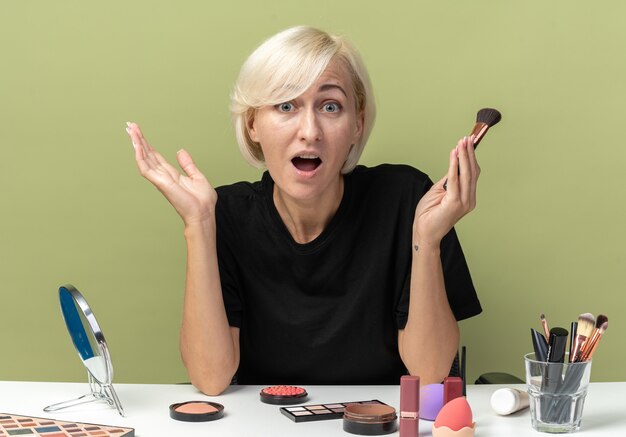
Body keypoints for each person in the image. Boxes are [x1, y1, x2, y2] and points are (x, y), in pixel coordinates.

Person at [126, 26, 482, 396]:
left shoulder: (406, 200)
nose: (309, 131)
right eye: (286, 105)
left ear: (357, 125)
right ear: (252, 125)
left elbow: (429, 374)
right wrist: (198, 224)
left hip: (380, 423)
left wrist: (427, 239)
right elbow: (211, 379)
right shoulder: (225, 214)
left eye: (331, 107)